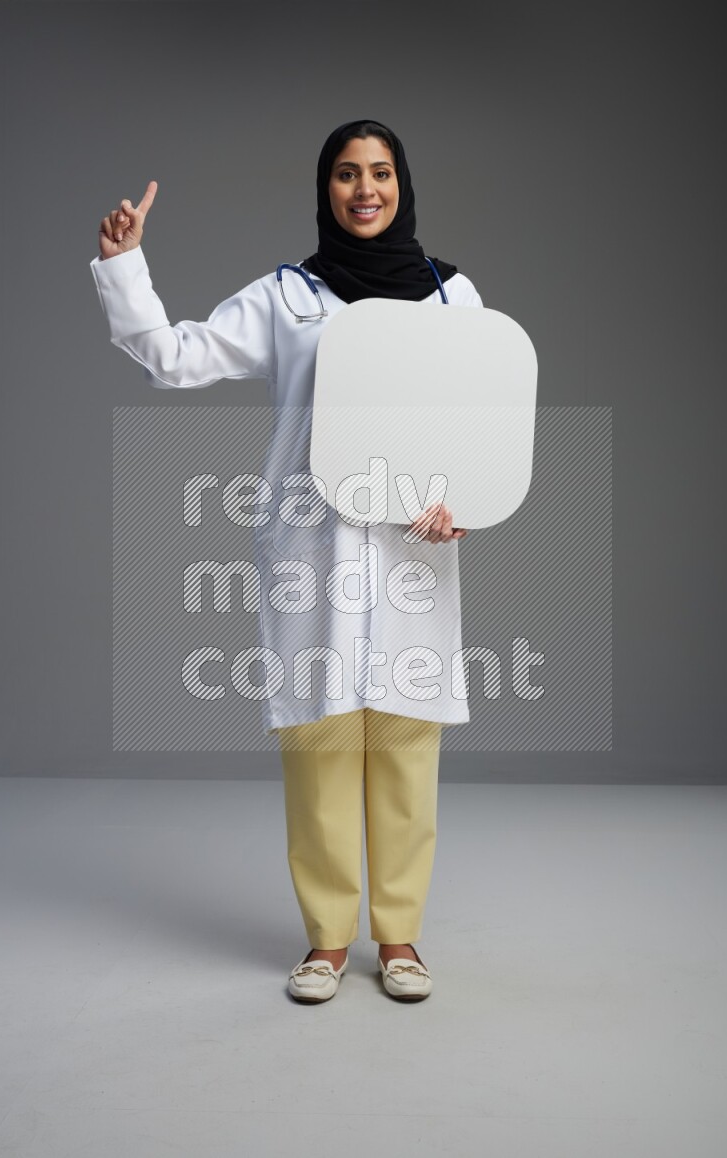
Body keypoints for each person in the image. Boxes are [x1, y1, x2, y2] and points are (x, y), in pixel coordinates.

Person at [91, 119, 484, 1004]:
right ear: (326, 189)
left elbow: (479, 415)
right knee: (321, 744)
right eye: (347, 174)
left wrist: (468, 497)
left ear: (402, 182)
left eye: (380, 172)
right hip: (316, 547)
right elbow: (176, 359)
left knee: (406, 748)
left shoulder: (453, 296)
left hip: (413, 550)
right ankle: (325, 943)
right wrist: (127, 267)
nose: (365, 189)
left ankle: (401, 938)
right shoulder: (287, 297)